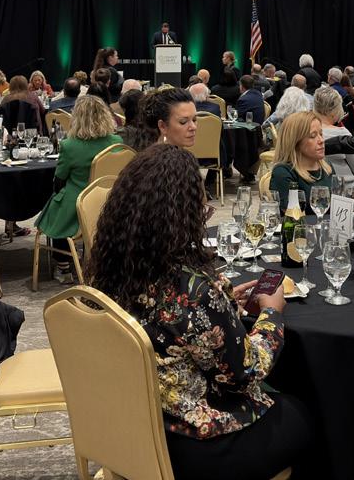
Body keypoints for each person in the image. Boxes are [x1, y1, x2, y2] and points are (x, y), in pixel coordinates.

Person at [87, 144, 311, 479]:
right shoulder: (193, 291)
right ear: (184, 214)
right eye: (201, 204)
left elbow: (172, 328)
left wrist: (224, 305)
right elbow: (245, 373)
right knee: (304, 412)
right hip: (194, 446)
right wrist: (271, 313)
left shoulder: (114, 270)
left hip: (134, 429)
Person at [35, 95, 122, 283]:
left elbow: (59, 180)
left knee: (57, 208)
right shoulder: (116, 141)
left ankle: (64, 268)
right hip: (110, 203)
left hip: (77, 207)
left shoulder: (69, 146)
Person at [269, 110, 333, 213]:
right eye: (313, 136)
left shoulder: (327, 167)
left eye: (321, 134)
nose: (321, 140)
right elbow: (292, 216)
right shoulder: (283, 173)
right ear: (295, 142)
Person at [312, 86, 354, 181]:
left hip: (313, 181)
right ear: (334, 110)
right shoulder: (342, 133)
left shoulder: (306, 130)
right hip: (343, 184)